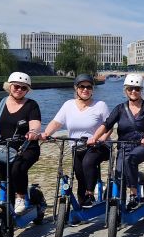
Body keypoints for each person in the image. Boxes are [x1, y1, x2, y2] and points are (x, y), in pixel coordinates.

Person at [0, 72, 42, 214]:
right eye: (16, 86)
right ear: (9, 86)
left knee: (17, 169)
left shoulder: (31, 105)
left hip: (27, 147)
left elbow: (35, 124)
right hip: (3, 148)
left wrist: (32, 133)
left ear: (27, 90)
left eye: (24, 88)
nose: (19, 90)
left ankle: (21, 197)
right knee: (4, 179)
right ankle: (8, 213)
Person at [41, 74, 110, 206]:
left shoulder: (100, 105)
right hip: (77, 147)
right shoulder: (68, 105)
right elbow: (56, 122)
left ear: (92, 89)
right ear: (76, 88)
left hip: (98, 146)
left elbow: (109, 126)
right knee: (79, 174)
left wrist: (100, 139)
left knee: (88, 162)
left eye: (89, 87)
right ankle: (81, 205)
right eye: (82, 87)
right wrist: (46, 133)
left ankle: (89, 194)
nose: (85, 89)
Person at [89, 74, 144, 206]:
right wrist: (95, 138)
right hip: (124, 145)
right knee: (119, 173)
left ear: (141, 90)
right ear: (125, 90)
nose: (133, 91)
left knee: (130, 159)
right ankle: (119, 203)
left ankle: (134, 194)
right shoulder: (120, 108)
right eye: (130, 89)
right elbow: (107, 124)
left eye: (137, 89)